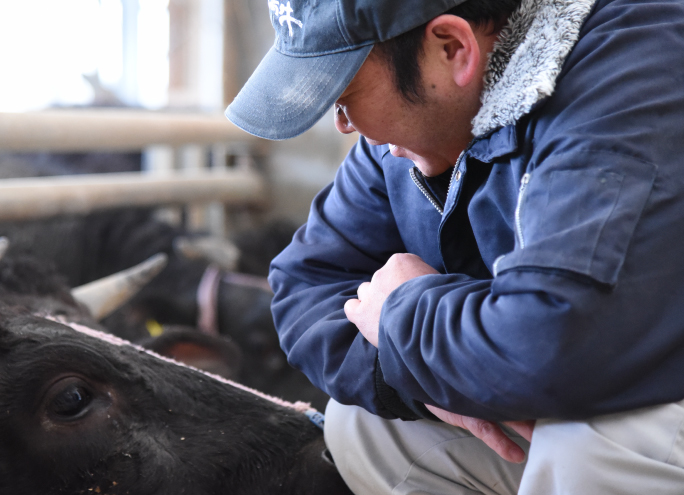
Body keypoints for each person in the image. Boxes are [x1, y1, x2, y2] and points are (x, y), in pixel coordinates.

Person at [225, 0, 684, 493]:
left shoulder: (626, 76)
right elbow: (305, 281)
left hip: (650, 391)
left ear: (452, 48)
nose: (344, 123)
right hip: (559, 383)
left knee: (589, 451)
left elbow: (556, 339)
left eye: (345, 93)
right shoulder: (406, 138)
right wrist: (426, 379)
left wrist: (400, 315)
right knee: (365, 429)